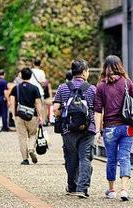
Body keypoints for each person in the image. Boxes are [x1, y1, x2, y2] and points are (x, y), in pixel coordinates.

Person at [94, 55, 133, 202]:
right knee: (125, 156)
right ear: (120, 66)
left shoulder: (101, 86)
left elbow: (98, 110)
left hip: (110, 128)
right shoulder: (127, 82)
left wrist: (97, 130)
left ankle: (112, 189)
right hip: (127, 127)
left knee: (111, 159)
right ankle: (124, 190)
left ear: (105, 67)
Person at [53, 59, 97, 198]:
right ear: (84, 72)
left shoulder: (63, 88)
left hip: (68, 129)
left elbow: (55, 109)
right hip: (88, 129)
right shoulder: (92, 89)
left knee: (71, 158)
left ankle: (72, 187)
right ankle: (82, 189)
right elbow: (97, 110)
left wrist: (65, 115)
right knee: (85, 158)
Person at [9, 68, 43, 165]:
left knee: (22, 137)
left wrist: (13, 114)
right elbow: (38, 103)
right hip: (32, 116)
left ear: (21, 76)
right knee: (33, 134)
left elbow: (12, 102)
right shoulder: (35, 88)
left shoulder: (16, 88)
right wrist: (40, 115)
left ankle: (25, 159)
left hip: (19, 116)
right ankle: (31, 149)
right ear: (31, 76)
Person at [32, 59, 51, 123]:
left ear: (33, 64)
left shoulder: (30, 71)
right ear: (40, 64)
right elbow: (43, 82)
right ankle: (42, 120)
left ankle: (33, 119)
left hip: (31, 90)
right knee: (42, 106)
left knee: (32, 106)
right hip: (39, 91)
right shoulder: (41, 72)